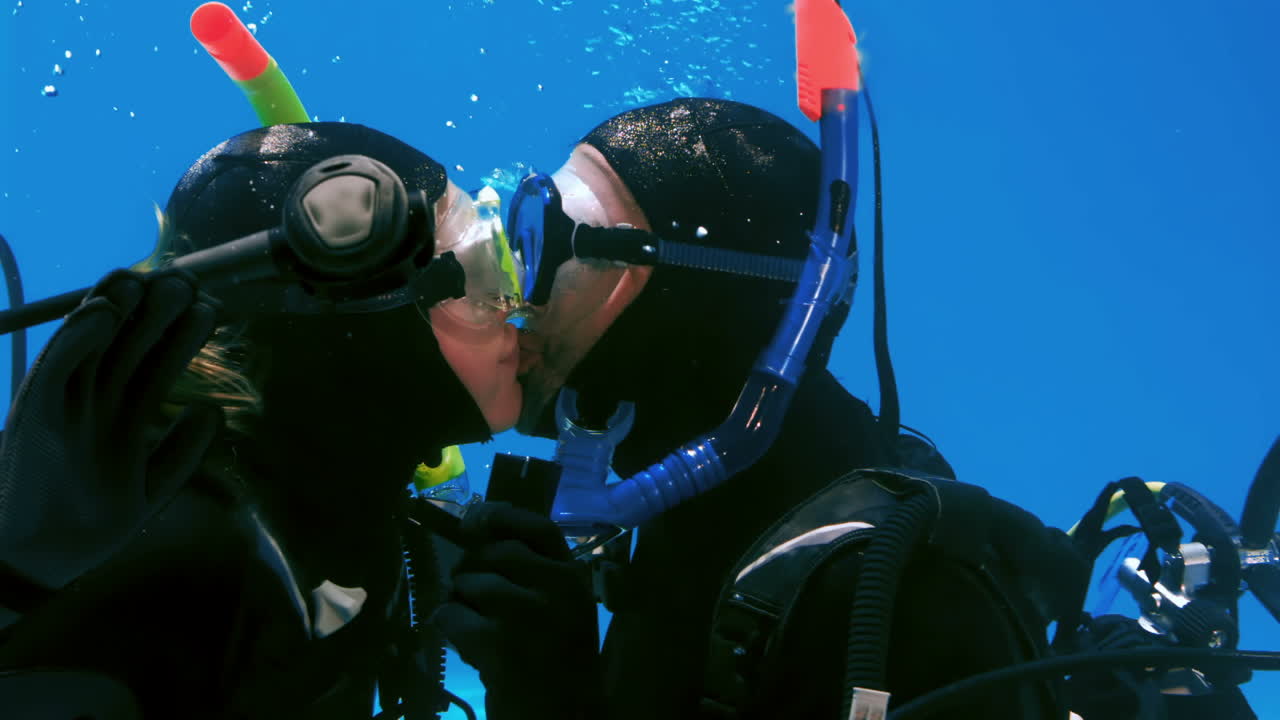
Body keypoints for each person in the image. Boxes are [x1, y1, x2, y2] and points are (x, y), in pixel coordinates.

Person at [432, 98, 1081, 719]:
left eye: (547, 247)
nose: (513, 298)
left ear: (691, 307)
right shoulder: (697, 503)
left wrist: (555, 705)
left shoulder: (888, 599)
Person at [0, 121, 524, 719]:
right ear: (354, 332)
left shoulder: (347, 513)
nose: (515, 308)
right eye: (482, 277)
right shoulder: (176, 555)